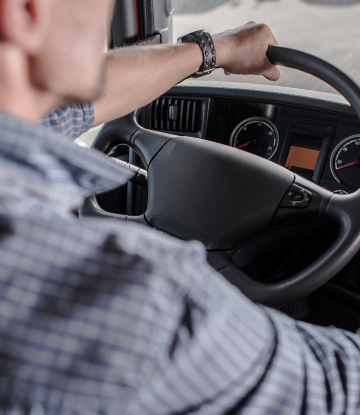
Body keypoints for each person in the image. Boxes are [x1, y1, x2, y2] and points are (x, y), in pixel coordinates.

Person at [0, 0, 359, 414]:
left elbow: (70, 103)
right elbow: (340, 388)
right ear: (26, 11)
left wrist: (215, 49)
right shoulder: (133, 301)